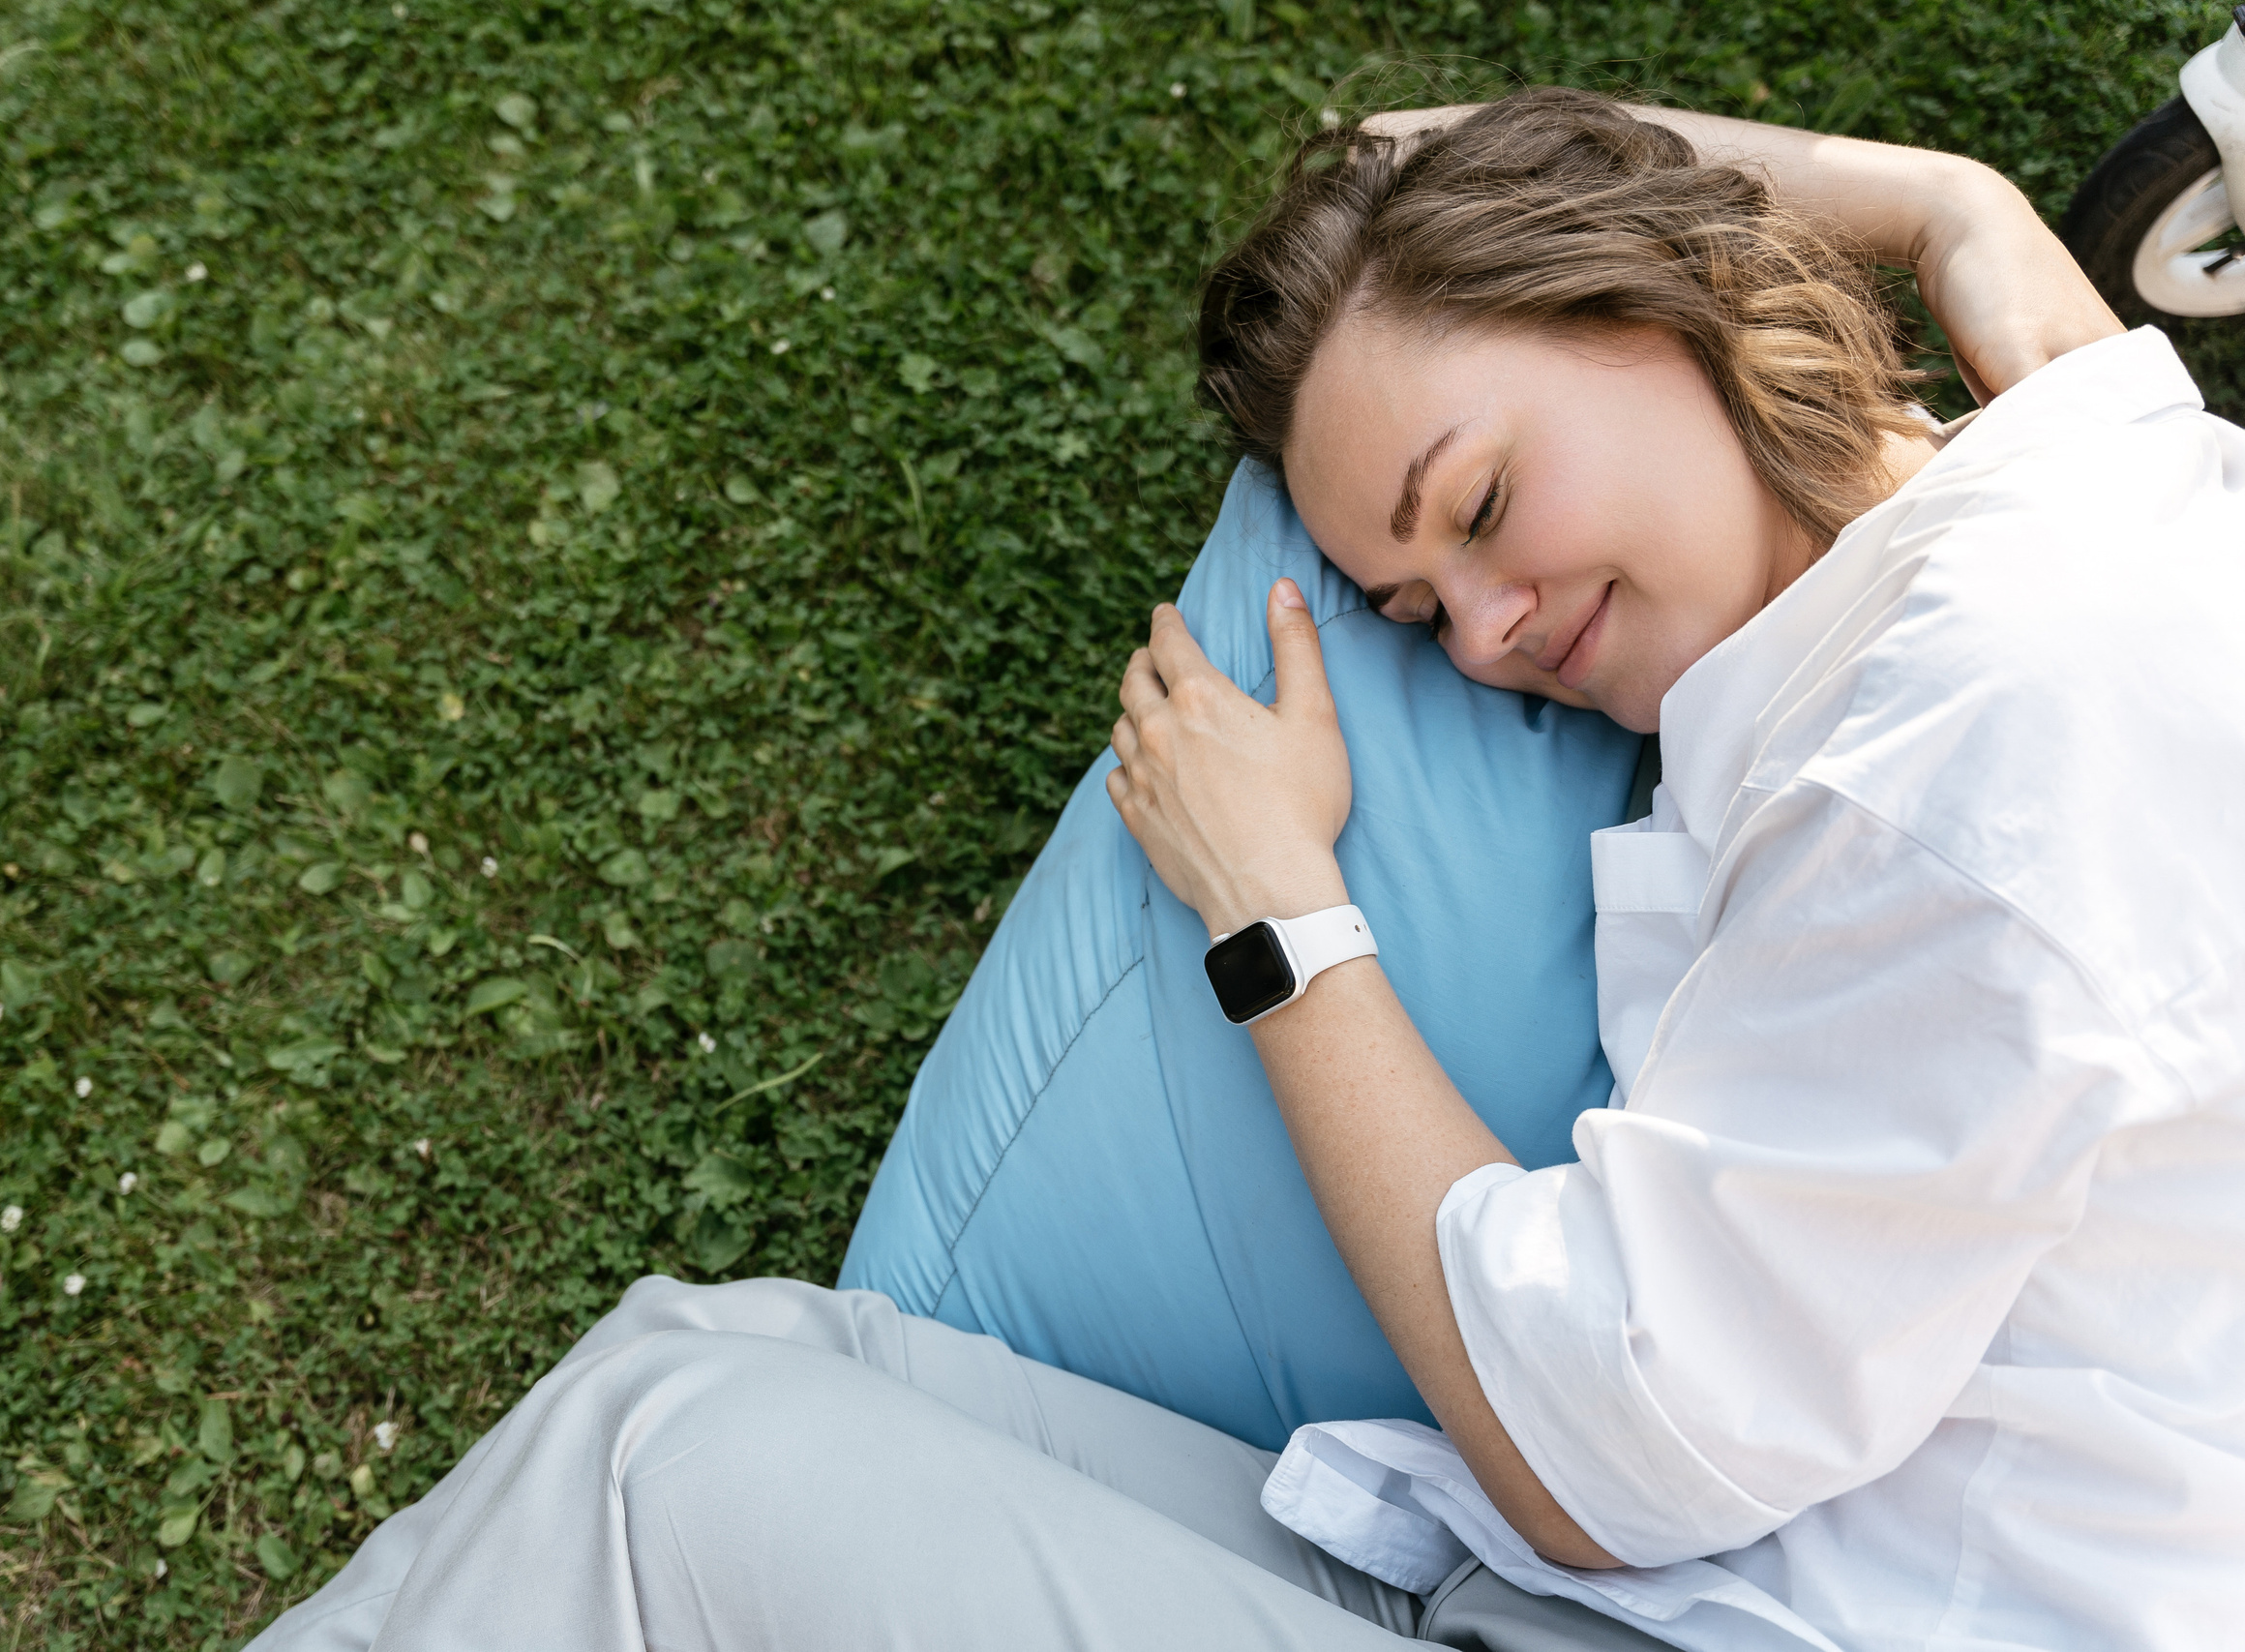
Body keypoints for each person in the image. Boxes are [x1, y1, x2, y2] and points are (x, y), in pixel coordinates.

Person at [246, 90, 2243, 1652]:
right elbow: (1396, 140)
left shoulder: (1959, 753)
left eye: (1471, 504)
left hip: (1732, 1582)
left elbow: (1611, 1446)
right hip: (1661, 1590)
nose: (1477, 628)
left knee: (670, 1463)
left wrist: (1270, 912)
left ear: (1662, 297)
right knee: (737, 1348)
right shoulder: (2055, 502)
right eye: (1406, 593)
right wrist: (1940, 203)